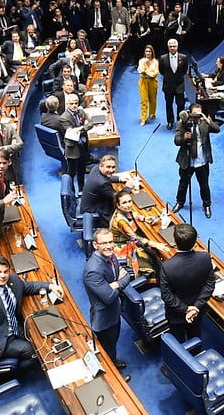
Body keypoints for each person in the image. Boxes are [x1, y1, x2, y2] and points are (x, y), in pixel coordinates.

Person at [0, 257, 62, 370]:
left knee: (41, 336)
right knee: (33, 351)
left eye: (5, 272)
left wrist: (50, 286)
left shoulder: (14, 280)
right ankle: (9, 375)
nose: (2, 276)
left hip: (15, 326)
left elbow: (30, 287)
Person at [82, 228, 132, 377]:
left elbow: (125, 275)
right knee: (106, 349)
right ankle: (114, 376)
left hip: (114, 311)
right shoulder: (93, 270)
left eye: (111, 242)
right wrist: (119, 281)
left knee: (113, 343)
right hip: (104, 318)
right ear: (95, 245)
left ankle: (113, 361)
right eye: (104, 243)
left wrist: (115, 284)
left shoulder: (110, 256)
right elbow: (109, 297)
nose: (109, 246)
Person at [159, 224, 215, 342]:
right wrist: (195, 307)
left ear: (175, 241)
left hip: (175, 314)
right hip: (197, 311)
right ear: (195, 242)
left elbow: (166, 295)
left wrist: (186, 309)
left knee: (177, 342)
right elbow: (209, 284)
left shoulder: (167, 266)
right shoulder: (205, 257)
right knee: (195, 336)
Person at [172, 103, 220, 219]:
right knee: (183, 183)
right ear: (190, 113)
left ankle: (207, 205)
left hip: (202, 161)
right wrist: (184, 138)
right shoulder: (183, 123)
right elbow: (176, 140)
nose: (197, 117)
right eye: (195, 114)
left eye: (199, 113)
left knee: (204, 185)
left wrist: (207, 120)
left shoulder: (204, 122)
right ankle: (180, 202)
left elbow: (217, 129)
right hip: (187, 160)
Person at [109, 191, 169, 282]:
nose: (128, 205)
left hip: (129, 240)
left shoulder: (124, 211)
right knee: (150, 256)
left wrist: (144, 218)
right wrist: (155, 244)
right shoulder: (120, 221)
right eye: (124, 203)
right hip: (122, 247)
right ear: (118, 205)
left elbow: (132, 214)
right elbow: (135, 238)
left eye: (130, 201)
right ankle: (153, 279)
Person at [80, 155, 131, 226]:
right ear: (101, 166)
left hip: (90, 203)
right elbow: (118, 198)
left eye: (113, 167)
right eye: (108, 167)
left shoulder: (96, 168)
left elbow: (106, 176)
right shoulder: (102, 184)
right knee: (122, 206)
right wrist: (128, 187)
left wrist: (119, 179)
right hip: (92, 210)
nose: (111, 170)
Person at [57, 94, 91, 192]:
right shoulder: (63, 118)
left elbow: (91, 123)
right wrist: (83, 127)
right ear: (67, 104)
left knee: (82, 170)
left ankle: (82, 189)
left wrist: (81, 128)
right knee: (71, 173)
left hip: (83, 146)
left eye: (76, 103)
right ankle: (71, 192)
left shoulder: (81, 112)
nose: (74, 105)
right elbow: (72, 133)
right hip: (73, 149)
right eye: (71, 103)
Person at [159, 38, 192, 130]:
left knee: (180, 104)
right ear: (168, 47)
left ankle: (180, 121)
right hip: (168, 86)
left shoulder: (183, 57)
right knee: (168, 104)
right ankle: (170, 121)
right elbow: (161, 71)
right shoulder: (162, 58)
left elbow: (184, 70)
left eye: (174, 46)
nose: (172, 48)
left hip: (179, 85)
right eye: (170, 46)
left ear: (177, 47)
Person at [137, 44, 159, 126]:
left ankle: (152, 114)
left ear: (152, 52)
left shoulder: (155, 62)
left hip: (152, 82)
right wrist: (146, 72)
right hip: (143, 82)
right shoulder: (141, 61)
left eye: (149, 51)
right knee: (143, 100)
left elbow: (155, 74)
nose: (148, 53)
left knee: (153, 99)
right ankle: (143, 118)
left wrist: (146, 72)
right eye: (146, 51)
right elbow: (140, 70)